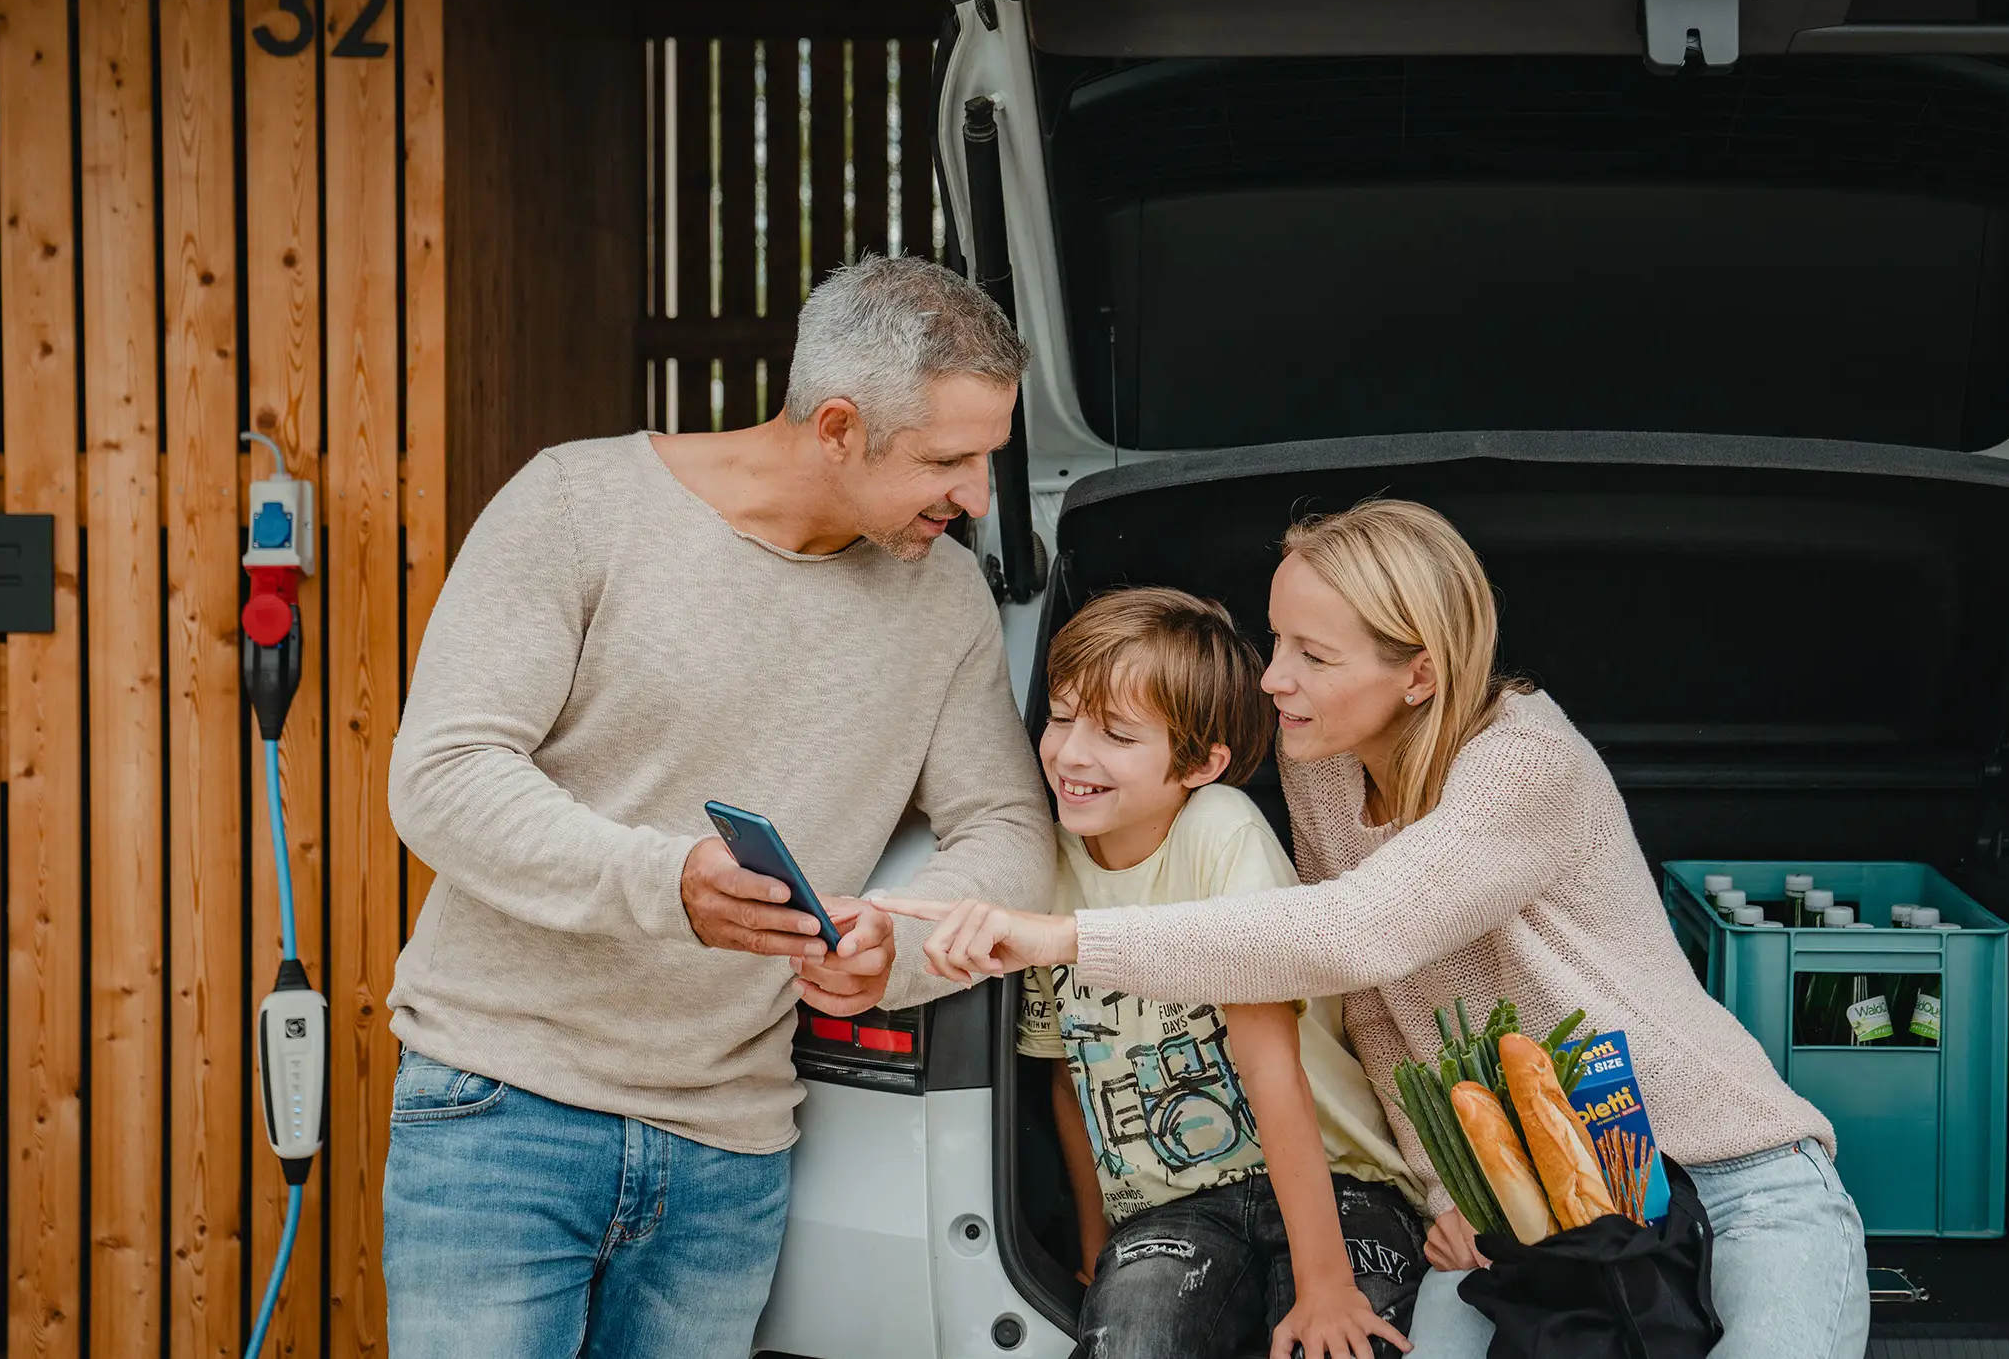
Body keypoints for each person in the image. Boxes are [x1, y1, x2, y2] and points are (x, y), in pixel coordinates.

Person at [889, 498, 1871, 1359]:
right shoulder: (1323, 761)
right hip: (1518, 1201)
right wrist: (1448, 1195)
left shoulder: (1525, 766)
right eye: (1277, 642)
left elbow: (1355, 938)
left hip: (1724, 1176)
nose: (1274, 681)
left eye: (1312, 657)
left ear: (1420, 675)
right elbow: (1382, 1018)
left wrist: (1060, 940)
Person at [383, 255, 1055, 1358]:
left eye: (987, 456)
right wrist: (666, 883)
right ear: (836, 427)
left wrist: (900, 948)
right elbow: (444, 776)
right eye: (949, 459)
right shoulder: (575, 505)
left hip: (730, 1150)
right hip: (502, 1109)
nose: (977, 496)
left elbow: (1009, 836)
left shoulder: (943, 599)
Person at [1023, 587, 1427, 1359]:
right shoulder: (1044, 865)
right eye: (1061, 715)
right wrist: (1093, 1242)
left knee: (1344, 1342)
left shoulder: (1219, 830)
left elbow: (1269, 1064)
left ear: (1201, 763)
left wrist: (1325, 1284)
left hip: (1334, 1182)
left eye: (1115, 733)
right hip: (1168, 1209)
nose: (1072, 753)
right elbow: (1067, 1079)